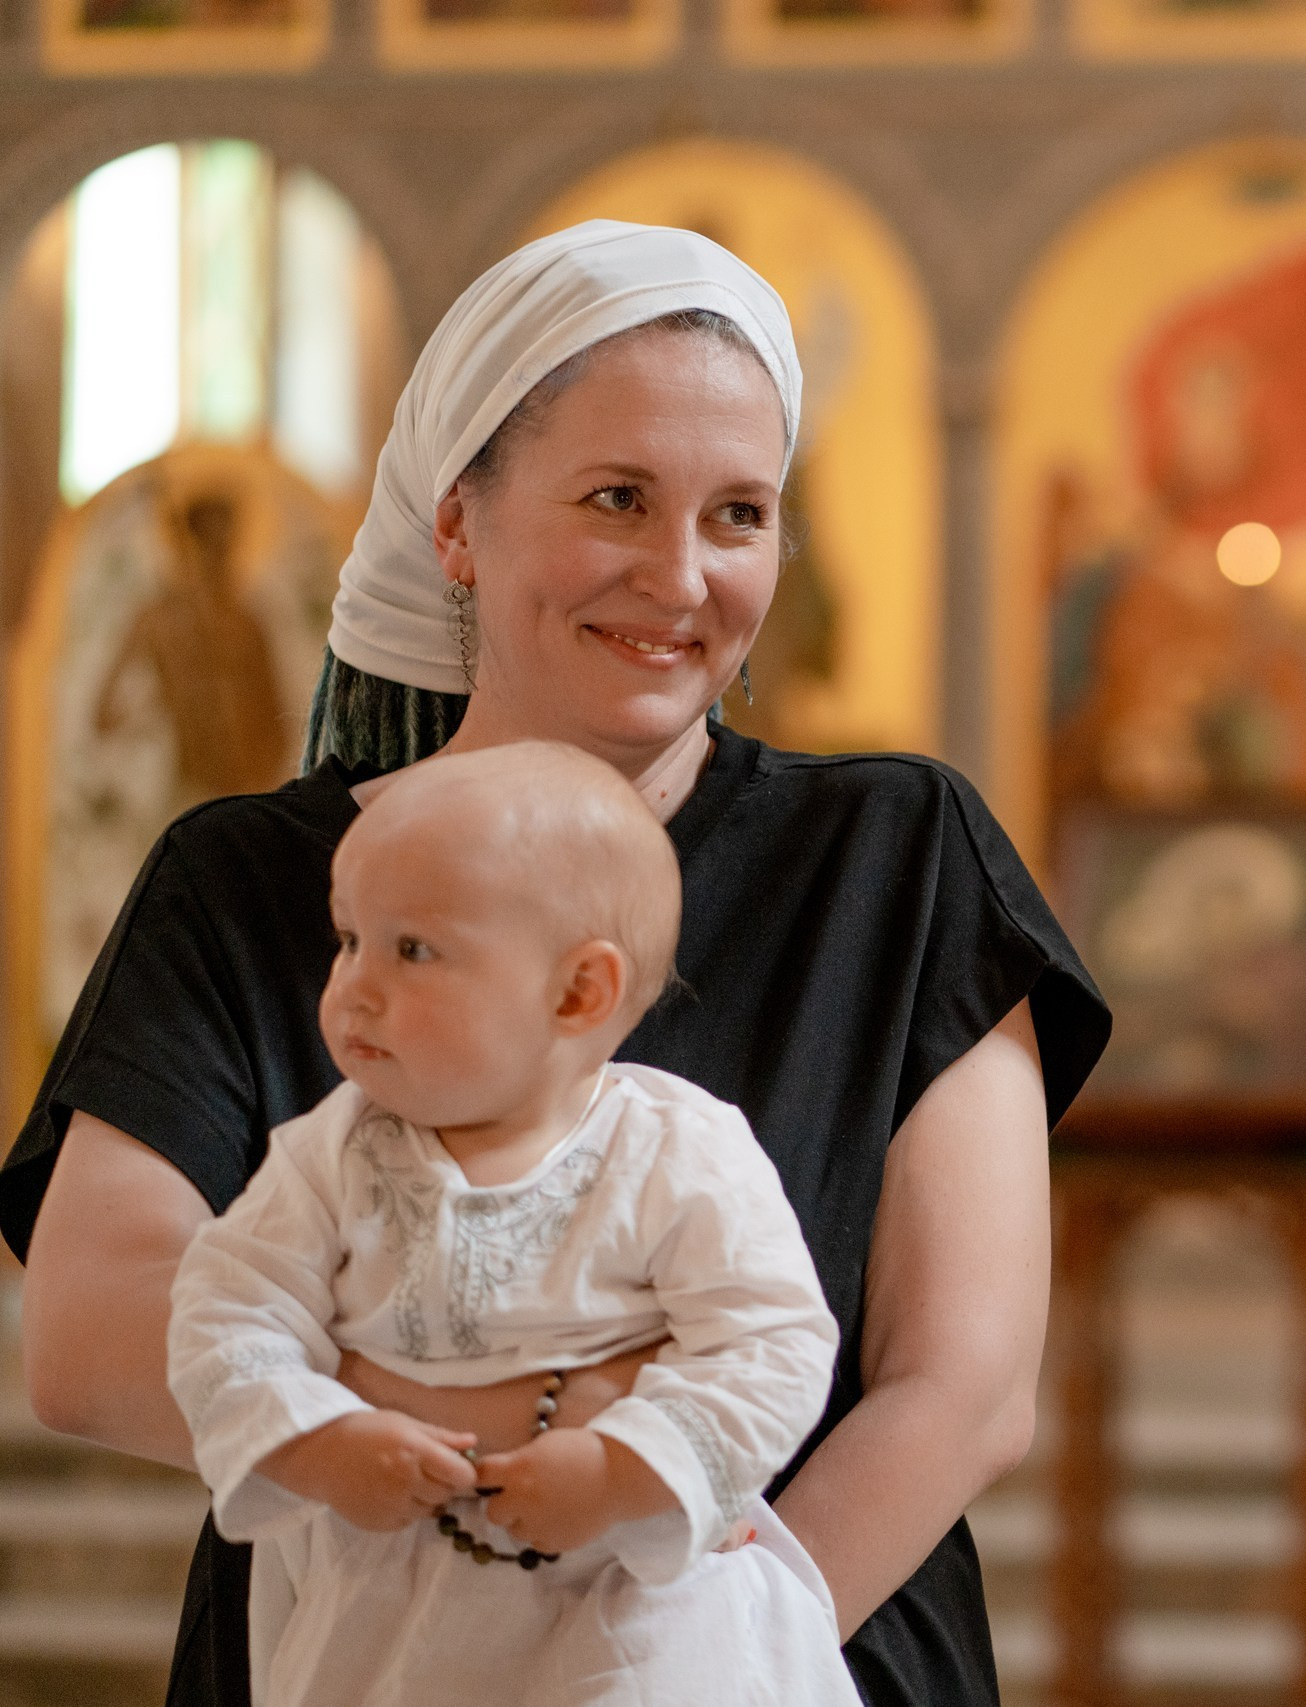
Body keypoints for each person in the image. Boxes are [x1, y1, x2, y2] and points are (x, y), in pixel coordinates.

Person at [5, 220, 1112, 1707]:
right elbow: (83, 1332)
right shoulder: (252, 881)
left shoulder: (897, 858)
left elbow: (960, 1387)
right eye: (617, 498)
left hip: (797, 1648)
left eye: (738, 515)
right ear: (458, 522)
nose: (679, 573)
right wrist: (516, 1406)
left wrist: (688, 1664)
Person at [168, 741, 856, 1706]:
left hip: (634, 1607)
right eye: (348, 939)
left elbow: (775, 1342)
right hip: (392, 1609)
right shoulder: (335, 1154)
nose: (354, 985)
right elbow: (226, 1310)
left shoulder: (674, 1149)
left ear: (579, 991)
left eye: (412, 950)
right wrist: (316, 1439)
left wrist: (625, 1465)